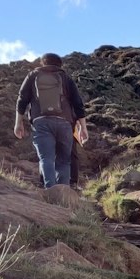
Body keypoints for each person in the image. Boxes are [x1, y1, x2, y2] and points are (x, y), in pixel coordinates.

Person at [14, 54, 87, 188]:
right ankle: (63, 194)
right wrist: (83, 127)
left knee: (46, 158)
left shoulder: (33, 76)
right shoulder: (65, 78)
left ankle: (49, 190)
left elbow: (22, 99)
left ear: (43, 63)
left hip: (41, 122)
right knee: (64, 161)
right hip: (65, 123)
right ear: (60, 64)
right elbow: (78, 103)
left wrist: (18, 123)